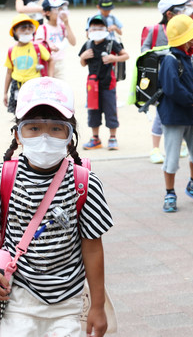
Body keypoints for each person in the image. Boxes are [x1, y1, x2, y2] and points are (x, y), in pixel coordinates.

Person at [0, 76, 113, 337]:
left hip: (68, 306)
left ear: (70, 136)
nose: (44, 137)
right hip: (17, 300)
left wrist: (97, 306)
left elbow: (92, 246)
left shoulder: (85, 183)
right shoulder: (5, 178)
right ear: (18, 134)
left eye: (56, 128)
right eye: (34, 128)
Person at [158, 14, 193, 212]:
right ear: (184, 39)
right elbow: (172, 88)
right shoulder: (171, 60)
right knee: (171, 157)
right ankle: (169, 192)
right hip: (174, 117)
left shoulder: (191, 58)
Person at [142, 0, 192, 164]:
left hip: (180, 75)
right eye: (180, 10)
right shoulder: (156, 30)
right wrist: (160, 52)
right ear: (169, 14)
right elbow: (145, 49)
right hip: (162, 79)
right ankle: (155, 148)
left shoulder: (184, 29)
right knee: (161, 114)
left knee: (181, 111)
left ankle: (183, 143)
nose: (184, 13)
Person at [79, 15, 129, 151]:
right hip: (92, 84)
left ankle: (113, 137)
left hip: (108, 84)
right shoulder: (88, 44)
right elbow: (83, 63)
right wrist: (83, 57)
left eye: (100, 27)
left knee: (110, 109)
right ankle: (95, 138)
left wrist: (113, 57)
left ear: (106, 28)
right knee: (93, 111)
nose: (96, 29)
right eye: (93, 27)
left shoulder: (111, 43)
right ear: (89, 30)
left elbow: (126, 55)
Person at [4, 14, 50, 114]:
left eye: (30, 28)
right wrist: (5, 93)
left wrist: (50, 78)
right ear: (15, 31)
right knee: (18, 114)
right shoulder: (12, 51)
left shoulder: (37, 47)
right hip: (17, 86)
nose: (27, 31)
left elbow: (51, 60)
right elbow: (9, 73)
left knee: (35, 113)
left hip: (35, 84)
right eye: (23, 28)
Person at [37, 0, 76, 81]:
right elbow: (38, 47)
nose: (61, 12)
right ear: (47, 12)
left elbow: (73, 42)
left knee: (60, 87)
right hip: (46, 63)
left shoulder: (62, 27)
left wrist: (66, 23)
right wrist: (49, 48)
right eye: (57, 9)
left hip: (59, 63)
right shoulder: (42, 28)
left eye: (61, 8)